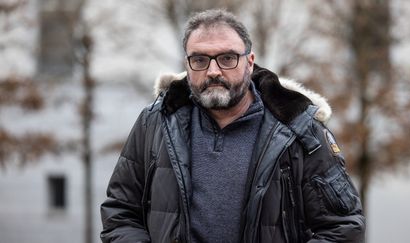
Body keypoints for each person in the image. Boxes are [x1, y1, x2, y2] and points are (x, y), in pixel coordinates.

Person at [100, 9, 365, 243]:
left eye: (227, 58)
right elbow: (119, 213)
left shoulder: (298, 129)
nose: (213, 70)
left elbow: (344, 228)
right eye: (200, 60)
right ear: (187, 65)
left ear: (249, 63)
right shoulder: (156, 122)